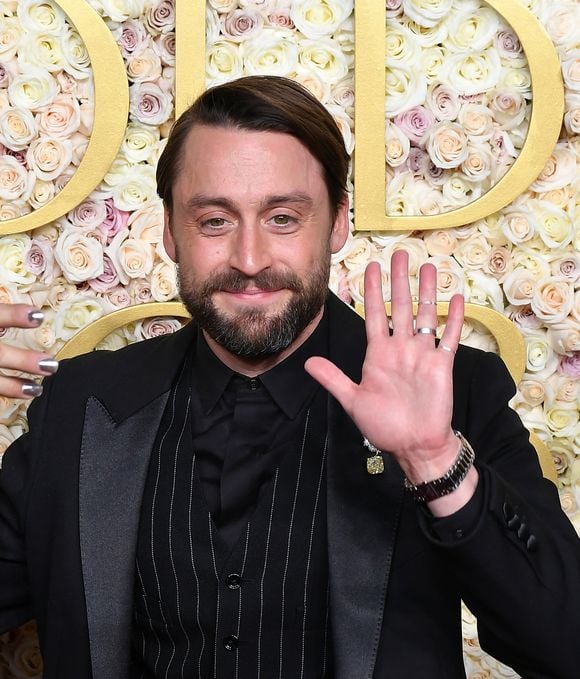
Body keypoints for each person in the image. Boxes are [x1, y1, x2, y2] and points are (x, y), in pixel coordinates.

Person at [0, 75, 579, 679]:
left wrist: (435, 462)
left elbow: (564, 645)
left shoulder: (457, 392)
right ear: (170, 231)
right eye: (215, 221)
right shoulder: (84, 403)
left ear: (335, 224)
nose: (250, 261)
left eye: (282, 218)